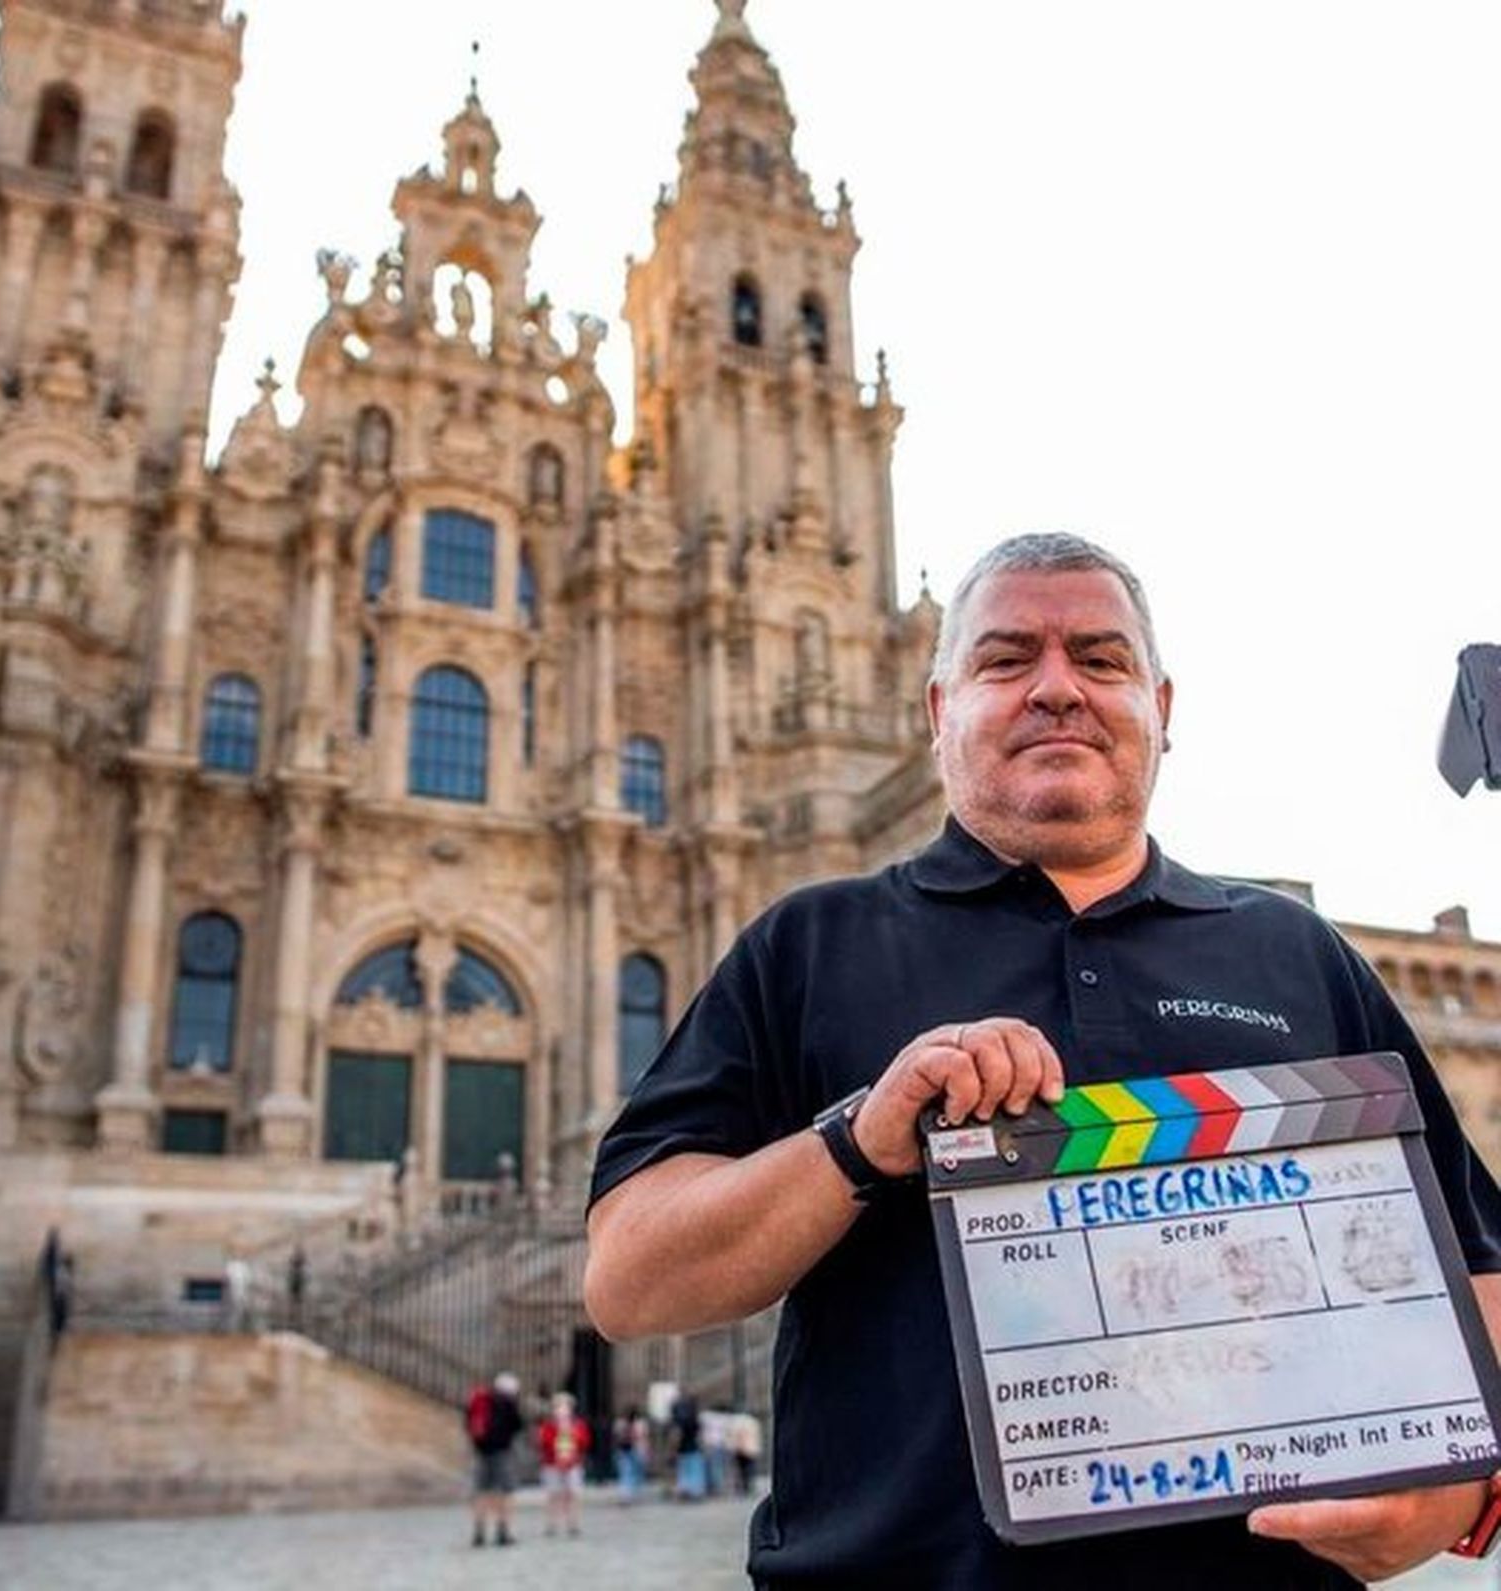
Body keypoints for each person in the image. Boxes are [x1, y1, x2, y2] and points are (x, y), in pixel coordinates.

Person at [585, 532, 1501, 1589]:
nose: (1057, 688)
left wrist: (1466, 1489)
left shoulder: (1296, 950)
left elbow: (1473, 1260)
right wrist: (855, 1140)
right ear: (938, 712)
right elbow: (625, 1279)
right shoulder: (807, 944)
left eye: (1101, 661)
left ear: (1162, 709)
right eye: (1006, 659)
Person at [468, 1371, 523, 1547]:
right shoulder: (508, 1403)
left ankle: (479, 1532)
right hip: (502, 1452)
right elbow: (518, 1425)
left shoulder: (480, 1400)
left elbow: (468, 1423)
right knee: (505, 1492)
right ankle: (503, 1530)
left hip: (481, 1451)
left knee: (480, 1491)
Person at [538, 1390, 591, 1537]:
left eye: (565, 1405)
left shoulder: (578, 1425)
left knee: (573, 1494)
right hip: (552, 1464)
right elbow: (544, 1443)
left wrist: (572, 1434)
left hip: (573, 1464)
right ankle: (551, 1524)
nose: (562, 1409)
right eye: (558, 1406)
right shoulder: (548, 1425)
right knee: (553, 1494)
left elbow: (585, 1442)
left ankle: (573, 1523)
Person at [668, 1388, 706, 1501]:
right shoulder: (695, 1418)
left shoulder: (679, 1419)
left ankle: (685, 1491)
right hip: (693, 1448)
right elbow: (700, 1435)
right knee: (694, 1470)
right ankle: (695, 1491)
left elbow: (676, 1435)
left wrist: (672, 1449)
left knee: (684, 1471)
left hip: (683, 1449)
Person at [613, 1403, 651, 1503]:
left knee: (626, 1473)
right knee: (635, 1472)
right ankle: (632, 1493)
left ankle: (627, 1494)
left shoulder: (620, 1423)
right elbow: (644, 1437)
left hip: (625, 1450)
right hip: (636, 1449)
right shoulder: (641, 1423)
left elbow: (616, 1437)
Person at [730, 1410, 763, 1497]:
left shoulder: (737, 1423)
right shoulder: (753, 1422)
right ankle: (748, 1486)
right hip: (750, 1449)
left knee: (742, 1470)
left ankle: (744, 1487)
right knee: (749, 1469)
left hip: (741, 1449)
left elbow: (735, 1436)